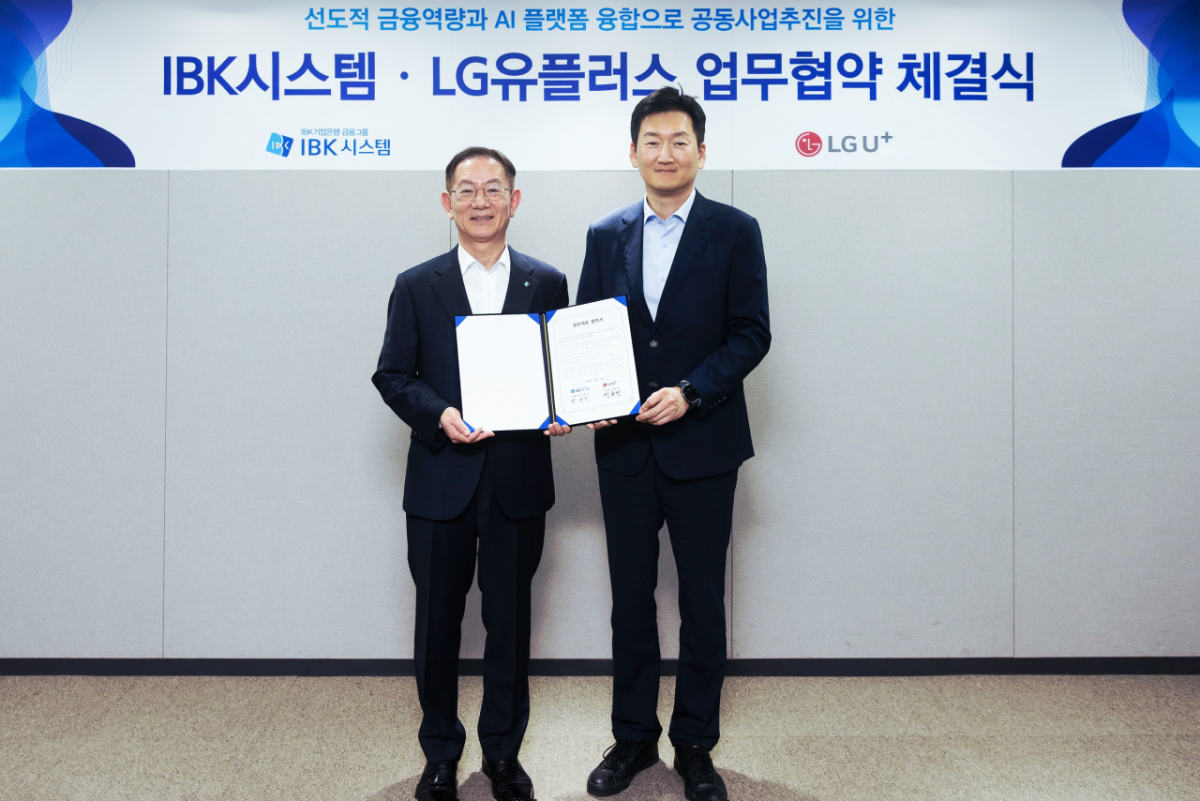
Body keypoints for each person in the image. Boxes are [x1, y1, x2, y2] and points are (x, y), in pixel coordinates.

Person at [576, 87, 771, 801]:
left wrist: (691, 391)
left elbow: (751, 332)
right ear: (632, 153)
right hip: (625, 450)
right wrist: (587, 396)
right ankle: (632, 738)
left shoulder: (736, 230)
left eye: (679, 140)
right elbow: (587, 328)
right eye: (652, 141)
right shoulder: (605, 234)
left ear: (701, 152)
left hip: (704, 445)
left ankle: (695, 745)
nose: (666, 152)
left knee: (702, 603)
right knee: (629, 601)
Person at [373, 146, 571, 801]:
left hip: (517, 478)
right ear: (447, 202)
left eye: (493, 188)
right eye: (466, 189)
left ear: (515, 200)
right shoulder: (415, 284)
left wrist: (562, 407)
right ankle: (439, 754)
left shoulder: (547, 281)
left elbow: (560, 370)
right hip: (441, 478)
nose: (480, 201)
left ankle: (503, 756)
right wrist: (439, 414)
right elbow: (393, 375)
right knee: (437, 624)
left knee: (509, 624)